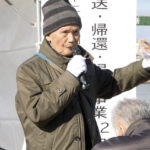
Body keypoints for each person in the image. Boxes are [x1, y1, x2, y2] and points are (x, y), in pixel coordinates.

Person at [15, 0, 150, 150]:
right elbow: (38, 113)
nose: (72, 39)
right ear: (48, 35)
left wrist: (144, 67)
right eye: (65, 32)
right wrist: (70, 78)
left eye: (76, 31)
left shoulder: (84, 65)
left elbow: (113, 82)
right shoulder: (29, 70)